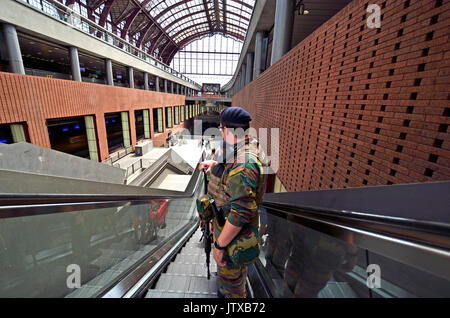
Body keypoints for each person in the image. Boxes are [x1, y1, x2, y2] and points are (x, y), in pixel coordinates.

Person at [198, 107, 268, 298]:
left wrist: (219, 247)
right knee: (230, 279)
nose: (220, 132)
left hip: (232, 238)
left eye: (221, 128)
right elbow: (233, 177)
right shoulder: (245, 147)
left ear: (227, 130)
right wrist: (214, 166)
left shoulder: (244, 164)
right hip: (226, 229)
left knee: (232, 287)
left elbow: (240, 212)